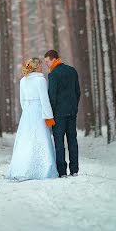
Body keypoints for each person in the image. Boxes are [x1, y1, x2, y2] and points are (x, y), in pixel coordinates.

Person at [7, 58, 58, 181]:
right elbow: (44, 99)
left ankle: (22, 167)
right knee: (41, 138)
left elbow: (22, 100)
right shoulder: (40, 80)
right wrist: (49, 116)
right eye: (40, 65)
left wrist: (27, 111)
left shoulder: (23, 80)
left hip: (27, 113)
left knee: (26, 139)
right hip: (39, 111)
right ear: (37, 66)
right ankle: (43, 170)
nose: (42, 66)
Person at [44, 50, 80, 178]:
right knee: (72, 140)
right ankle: (75, 170)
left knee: (59, 143)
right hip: (71, 111)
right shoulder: (72, 70)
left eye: (47, 61)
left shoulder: (53, 74)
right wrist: (74, 106)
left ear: (54, 59)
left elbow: (52, 96)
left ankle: (62, 172)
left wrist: (51, 114)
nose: (46, 64)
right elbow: (77, 91)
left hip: (58, 114)